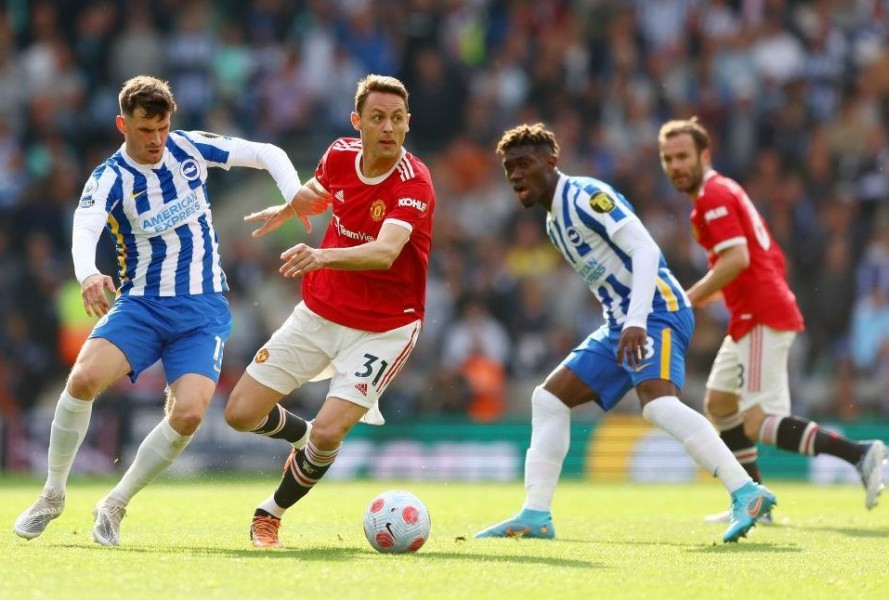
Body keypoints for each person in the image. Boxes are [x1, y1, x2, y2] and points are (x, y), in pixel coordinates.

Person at [13, 75, 329, 546]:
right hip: (141, 303)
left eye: (162, 128)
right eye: (145, 130)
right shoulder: (109, 179)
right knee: (81, 380)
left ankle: (114, 505)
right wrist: (87, 274)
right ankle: (52, 495)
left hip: (202, 309)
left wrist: (291, 190)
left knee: (189, 414)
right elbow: (84, 228)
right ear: (123, 124)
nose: (157, 140)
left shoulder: (190, 149)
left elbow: (266, 152)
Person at [474, 123, 775, 544]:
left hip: (656, 310)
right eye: (510, 169)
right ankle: (535, 514)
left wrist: (635, 320)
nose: (516, 175)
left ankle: (746, 491)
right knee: (548, 400)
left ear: (551, 162)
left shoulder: (584, 196)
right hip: (622, 322)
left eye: (525, 164)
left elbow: (646, 249)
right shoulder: (553, 225)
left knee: (657, 405)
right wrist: (625, 321)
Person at [221, 74, 435, 549]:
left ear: (407, 123)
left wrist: (321, 256)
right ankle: (304, 436)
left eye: (397, 119)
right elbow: (322, 191)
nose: (388, 128)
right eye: (377, 118)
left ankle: (269, 513)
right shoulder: (340, 153)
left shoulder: (414, 182)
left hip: (385, 327)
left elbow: (384, 251)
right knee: (239, 413)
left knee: (332, 429)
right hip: (320, 313)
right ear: (357, 122)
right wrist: (288, 207)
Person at [657, 117, 888, 523]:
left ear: (704, 155)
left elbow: (738, 259)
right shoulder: (719, 195)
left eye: (682, 156)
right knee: (720, 403)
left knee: (759, 422)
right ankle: (755, 501)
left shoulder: (713, 197)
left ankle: (860, 454)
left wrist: (686, 299)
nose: (675, 165)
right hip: (752, 313)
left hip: (761, 313)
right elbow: (756, 260)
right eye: (668, 158)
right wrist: (693, 299)